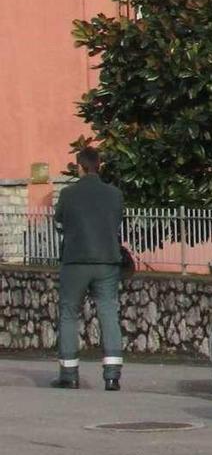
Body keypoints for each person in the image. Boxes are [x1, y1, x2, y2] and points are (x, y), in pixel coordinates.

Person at [52, 147, 124, 391]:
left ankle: (69, 374)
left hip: (76, 261)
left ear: (79, 166)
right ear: (99, 165)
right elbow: (116, 220)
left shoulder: (69, 194)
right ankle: (112, 376)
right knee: (108, 312)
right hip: (107, 262)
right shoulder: (114, 194)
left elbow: (58, 218)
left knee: (69, 313)